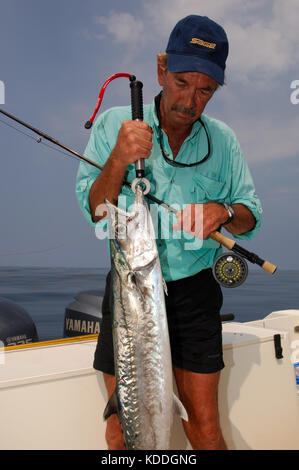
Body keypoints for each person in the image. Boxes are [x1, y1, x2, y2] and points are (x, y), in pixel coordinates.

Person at [76, 15, 262, 450]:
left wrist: (222, 211)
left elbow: (250, 216)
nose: (189, 100)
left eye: (205, 91)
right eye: (181, 82)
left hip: (195, 294)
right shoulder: (115, 125)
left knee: (203, 424)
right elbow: (95, 210)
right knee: (123, 426)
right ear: (162, 71)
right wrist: (118, 160)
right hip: (130, 292)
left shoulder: (225, 142)